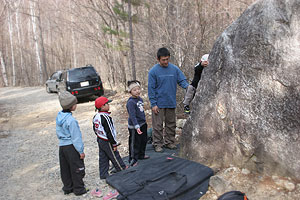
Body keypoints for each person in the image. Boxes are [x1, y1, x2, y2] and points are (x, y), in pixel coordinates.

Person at [148, 47, 189, 152]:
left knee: (171, 124)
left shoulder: (174, 69)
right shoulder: (153, 71)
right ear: (158, 59)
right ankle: (157, 144)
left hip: (171, 101)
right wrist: (153, 104)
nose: (166, 62)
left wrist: (189, 88)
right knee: (157, 126)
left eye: (167, 59)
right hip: (158, 103)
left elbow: (182, 81)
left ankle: (169, 142)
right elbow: (151, 89)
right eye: (163, 60)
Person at [56, 91, 88, 196]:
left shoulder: (59, 117)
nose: (76, 105)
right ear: (71, 106)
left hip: (62, 147)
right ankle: (79, 189)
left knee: (65, 167)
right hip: (71, 146)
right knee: (77, 167)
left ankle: (68, 187)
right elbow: (76, 137)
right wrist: (80, 151)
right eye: (75, 103)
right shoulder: (71, 120)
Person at [93, 96, 126, 179]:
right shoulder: (106, 117)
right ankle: (122, 168)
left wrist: (99, 136)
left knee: (103, 157)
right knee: (114, 155)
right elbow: (110, 132)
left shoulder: (96, 117)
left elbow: (94, 128)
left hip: (100, 139)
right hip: (107, 140)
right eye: (107, 104)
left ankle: (103, 173)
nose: (109, 105)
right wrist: (114, 143)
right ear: (102, 106)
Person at [126, 80, 149, 166]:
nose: (137, 91)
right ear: (130, 91)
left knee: (143, 140)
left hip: (142, 123)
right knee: (135, 142)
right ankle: (133, 159)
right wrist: (136, 126)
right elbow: (132, 116)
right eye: (134, 90)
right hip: (135, 126)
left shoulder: (140, 99)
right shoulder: (131, 102)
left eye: (138, 89)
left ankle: (141, 155)